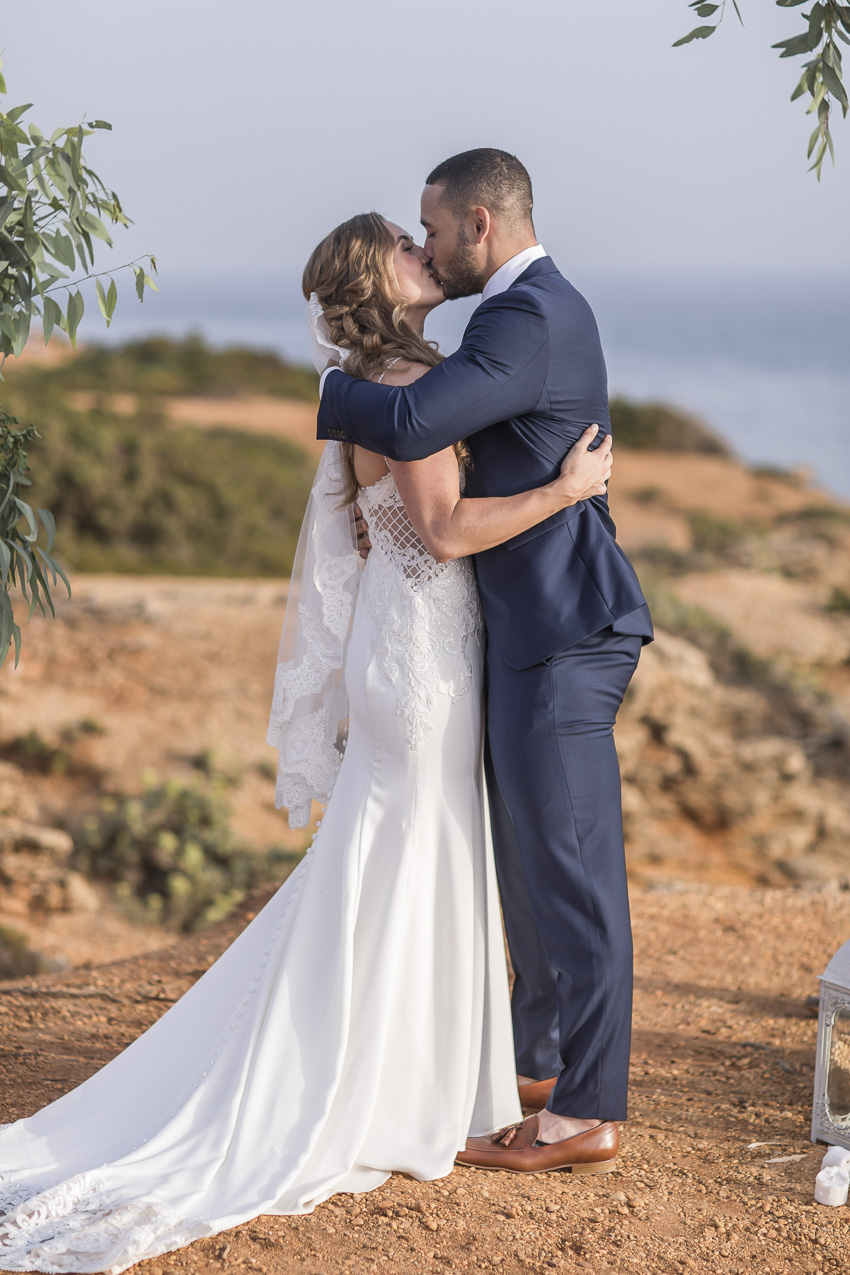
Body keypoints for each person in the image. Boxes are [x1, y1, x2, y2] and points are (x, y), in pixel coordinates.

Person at [0, 211, 613, 1275]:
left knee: (403, 856)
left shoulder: (388, 372)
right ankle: (381, 1080)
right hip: (421, 654)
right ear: (374, 278)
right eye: (404, 243)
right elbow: (445, 531)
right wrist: (564, 490)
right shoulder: (392, 376)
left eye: (428, 236)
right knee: (408, 852)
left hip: (416, 642)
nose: (425, 250)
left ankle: (419, 1064)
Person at [318, 149, 654, 1174]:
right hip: (517, 630)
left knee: (569, 870)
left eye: (433, 229)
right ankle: (538, 1061)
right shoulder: (516, 314)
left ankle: (582, 1113)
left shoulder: (522, 317)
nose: (427, 247)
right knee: (528, 860)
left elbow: (417, 421)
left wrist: (334, 390)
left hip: (560, 626)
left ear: (480, 223)